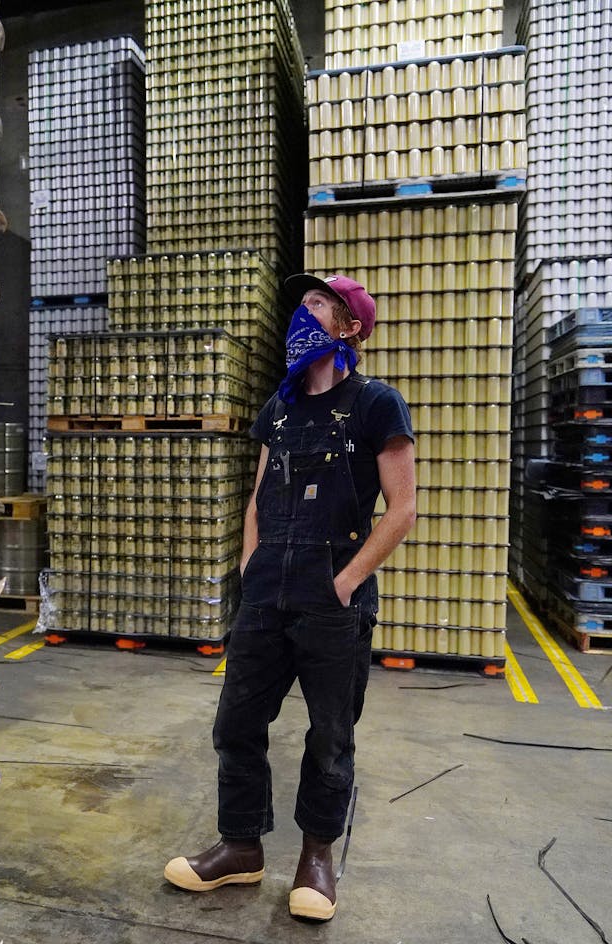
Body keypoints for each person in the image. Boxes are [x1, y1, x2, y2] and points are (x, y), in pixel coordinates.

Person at [163, 274, 417, 922]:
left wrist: (348, 579)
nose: (302, 314)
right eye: (301, 304)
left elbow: (403, 508)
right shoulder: (277, 407)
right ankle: (241, 847)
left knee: (330, 734)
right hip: (267, 589)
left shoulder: (376, 404)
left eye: (319, 305)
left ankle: (316, 858)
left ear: (350, 328)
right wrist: (251, 560)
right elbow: (258, 494)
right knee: (236, 723)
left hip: (332, 596)